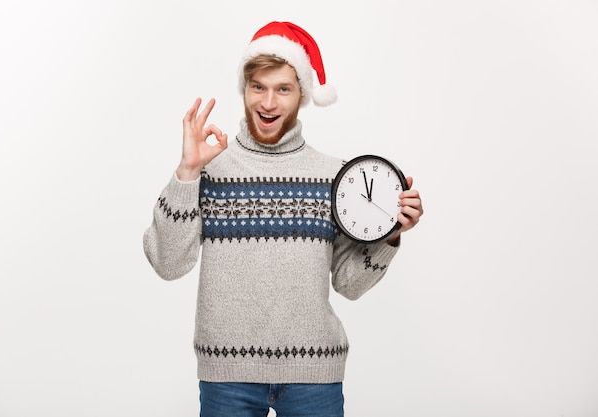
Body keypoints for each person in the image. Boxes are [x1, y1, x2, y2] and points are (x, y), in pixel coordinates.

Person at [143, 21, 424, 417]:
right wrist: (187, 172)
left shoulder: (334, 177)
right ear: (244, 89)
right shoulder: (210, 168)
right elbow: (168, 263)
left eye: (283, 89)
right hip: (227, 375)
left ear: (303, 95)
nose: (269, 103)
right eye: (258, 86)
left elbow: (348, 283)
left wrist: (390, 236)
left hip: (315, 375)